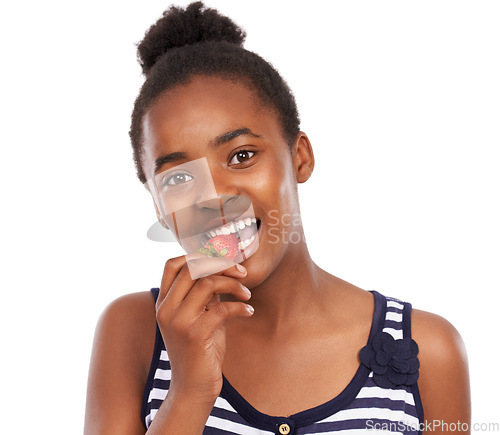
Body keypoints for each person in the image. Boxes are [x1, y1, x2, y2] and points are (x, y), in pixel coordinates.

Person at [84, 2, 470, 434]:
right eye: (178, 179)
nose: (213, 200)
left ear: (299, 157)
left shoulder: (428, 349)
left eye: (241, 156)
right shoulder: (135, 330)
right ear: (158, 206)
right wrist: (190, 391)